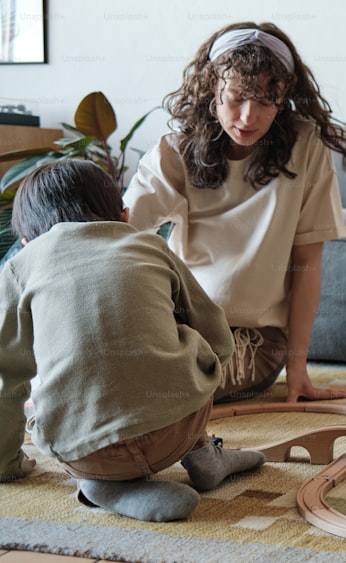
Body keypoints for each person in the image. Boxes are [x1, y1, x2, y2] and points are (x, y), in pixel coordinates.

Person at [0, 160, 265, 522]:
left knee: (42, 395)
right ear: (123, 216)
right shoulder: (149, 245)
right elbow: (216, 332)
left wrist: (7, 462)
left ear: (27, 242)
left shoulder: (20, 267)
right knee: (185, 341)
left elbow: (7, 378)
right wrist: (196, 375)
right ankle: (203, 454)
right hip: (177, 430)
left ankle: (102, 485)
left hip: (85, 449)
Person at [124, 22, 346, 403]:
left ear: (283, 100)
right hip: (181, 328)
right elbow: (120, 231)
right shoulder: (176, 151)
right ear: (212, 88)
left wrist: (296, 372)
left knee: (156, 390)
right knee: (129, 370)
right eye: (237, 97)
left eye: (266, 101)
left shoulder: (306, 147)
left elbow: (307, 267)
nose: (249, 117)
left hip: (255, 340)